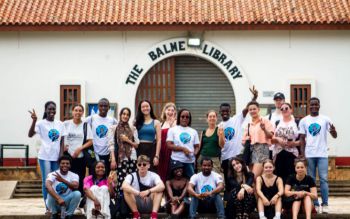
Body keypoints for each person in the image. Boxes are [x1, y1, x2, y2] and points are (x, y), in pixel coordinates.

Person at [299, 97, 337, 214]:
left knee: (324, 180)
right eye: (312, 105)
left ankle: (325, 203)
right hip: (309, 155)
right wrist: (302, 154)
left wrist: (333, 131)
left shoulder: (325, 119)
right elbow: (301, 139)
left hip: (322, 154)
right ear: (308, 106)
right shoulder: (304, 120)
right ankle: (314, 203)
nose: (314, 106)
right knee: (311, 180)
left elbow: (334, 135)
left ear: (319, 106)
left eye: (316, 104)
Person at [28, 101, 67, 213]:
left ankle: (54, 205)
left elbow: (62, 141)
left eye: (53, 109)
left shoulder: (60, 124)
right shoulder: (40, 123)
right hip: (44, 156)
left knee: (55, 181)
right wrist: (34, 120)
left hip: (56, 157)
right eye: (49, 109)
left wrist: (61, 156)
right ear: (45, 110)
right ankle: (48, 207)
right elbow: (30, 135)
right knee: (47, 181)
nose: (52, 111)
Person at [219, 86, 258, 184]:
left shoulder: (236, 119)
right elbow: (220, 144)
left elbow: (246, 109)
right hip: (225, 157)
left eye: (227, 111)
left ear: (230, 111)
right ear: (220, 112)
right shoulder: (219, 126)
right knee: (229, 181)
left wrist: (253, 98)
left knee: (241, 179)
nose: (225, 113)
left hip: (237, 156)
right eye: (223, 111)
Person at [63, 104, 93, 197]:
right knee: (67, 179)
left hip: (80, 157)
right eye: (76, 110)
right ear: (72, 111)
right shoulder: (66, 124)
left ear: (82, 113)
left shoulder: (85, 125)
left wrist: (80, 148)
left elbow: (90, 141)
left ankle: (78, 201)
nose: (78, 112)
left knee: (79, 179)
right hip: (67, 157)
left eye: (80, 111)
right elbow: (60, 137)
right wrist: (63, 147)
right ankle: (66, 200)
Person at [108, 107, 139, 193]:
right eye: (123, 114)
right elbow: (111, 145)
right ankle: (121, 203)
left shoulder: (132, 128)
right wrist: (113, 159)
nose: (125, 116)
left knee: (132, 181)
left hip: (132, 157)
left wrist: (127, 140)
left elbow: (136, 145)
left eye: (127, 115)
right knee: (121, 181)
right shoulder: (114, 128)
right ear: (120, 115)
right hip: (121, 158)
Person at [242, 101, 274, 179]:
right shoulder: (249, 124)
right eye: (250, 109)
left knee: (253, 176)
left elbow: (271, 136)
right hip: (250, 151)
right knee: (255, 178)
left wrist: (264, 129)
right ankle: (255, 191)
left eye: (254, 109)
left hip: (261, 149)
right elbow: (243, 141)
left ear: (258, 109)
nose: (252, 111)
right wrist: (246, 139)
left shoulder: (265, 120)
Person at [86, 98, 118, 175]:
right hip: (94, 152)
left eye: (105, 106)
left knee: (106, 175)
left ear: (109, 107)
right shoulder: (91, 118)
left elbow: (120, 129)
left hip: (108, 153)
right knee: (93, 174)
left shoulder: (112, 120)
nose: (103, 108)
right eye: (101, 106)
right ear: (98, 107)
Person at [167, 109, 200, 178]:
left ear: (189, 119)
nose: (185, 118)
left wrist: (194, 153)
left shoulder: (193, 131)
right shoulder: (172, 130)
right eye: (182, 117)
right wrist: (183, 149)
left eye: (187, 117)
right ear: (179, 118)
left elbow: (197, 146)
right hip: (176, 160)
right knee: (176, 182)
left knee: (191, 181)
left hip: (189, 161)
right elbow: (169, 145)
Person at [272, 103, 300, 182]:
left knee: (292, 176)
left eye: (286, 108)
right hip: (278, 153)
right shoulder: (277, 122)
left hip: (292, 153)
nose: (284, 110)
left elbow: (304, 140)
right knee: (279, 176)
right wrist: (278, 139)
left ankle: (290, 193)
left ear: (291, 110)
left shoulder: (297, 122)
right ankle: (281, 193)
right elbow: (271, 139)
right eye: (282, 109)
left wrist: (294, 143)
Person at [134, 100, 161, 172]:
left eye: (147, 106)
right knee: (139, 171)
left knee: (151, 171)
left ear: (150, 107)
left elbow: (159, 140)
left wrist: (157, 156)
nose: (145, 108)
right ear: (140, 109)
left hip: (151, 149)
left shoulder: (156, 122)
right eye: (143, 107)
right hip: (138, 149)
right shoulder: (135, 122)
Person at [159, 102, 177, 183]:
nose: (170, 112)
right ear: (165, 111)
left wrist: (171, 124)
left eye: (172, 110)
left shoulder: (176, 123)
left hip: (172, 151)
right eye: (168, 110)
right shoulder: (161, 123)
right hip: (162, 151)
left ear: (175, 112)